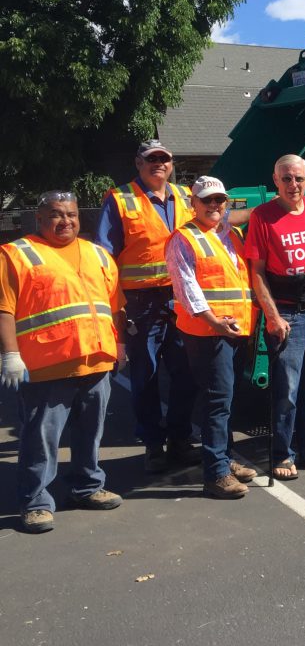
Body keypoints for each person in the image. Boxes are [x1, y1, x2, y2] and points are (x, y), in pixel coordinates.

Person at [1, 191, 125, 534]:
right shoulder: (18, 254)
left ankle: (87, 487)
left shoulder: (97, 254)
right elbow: (4, 310)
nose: (65, 221)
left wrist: (121, 343)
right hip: (47, 366)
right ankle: (36, 501)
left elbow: (115, 305)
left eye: (71, 214)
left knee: (91, 433)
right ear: (39, 219)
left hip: (96, 361)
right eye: (55, 215)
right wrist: (10, 355)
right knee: (41, 438)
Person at [95, 139, 201, 473]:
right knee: (146, 377)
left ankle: (180, 439)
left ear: (172, 164)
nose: (159, 164)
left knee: (186, 373)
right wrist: (114, 308)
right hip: (141, 303)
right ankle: (154, 445)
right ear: (138, 163)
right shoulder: (121, 200)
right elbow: (105, 257)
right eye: (151, 159)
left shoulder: (187, 196)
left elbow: (216, 222)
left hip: (181, 299)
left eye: (164, 159)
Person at [166, 176, 257, 499]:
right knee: (217, 400)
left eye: (219, 200)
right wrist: (215, 323)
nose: (214, 205)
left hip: (234, 331)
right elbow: (187, 289)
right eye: (207, 200)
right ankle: (216, 472)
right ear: (194, 203)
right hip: (208, 333)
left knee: (227, 398)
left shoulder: (231, 235)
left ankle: (226, 459)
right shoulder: (183, 238)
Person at [245, 155, 305, 479]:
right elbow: (256, 272)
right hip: (286, 316)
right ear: (275, 180)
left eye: (298, 178)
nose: (292, 185)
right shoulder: (262, 217)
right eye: (286, 179)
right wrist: (271, 316)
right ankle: (284, 455)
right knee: (287, 391)